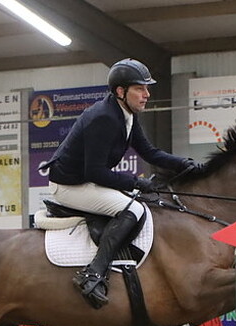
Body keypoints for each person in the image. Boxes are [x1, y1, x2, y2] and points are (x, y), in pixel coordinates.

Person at [41, 58, 201, 309]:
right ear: (121, 91)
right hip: (69, 186)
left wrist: (185, 163)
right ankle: (93, 273)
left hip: (84, 180)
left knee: (138, 203)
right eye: (141, 88)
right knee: (133, 209)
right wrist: (137, 184)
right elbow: (94, 172)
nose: (147, 94)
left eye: (147, 88)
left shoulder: (126, 114)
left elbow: (149, 152)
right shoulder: (104, 118)